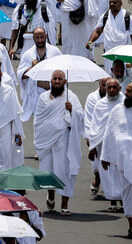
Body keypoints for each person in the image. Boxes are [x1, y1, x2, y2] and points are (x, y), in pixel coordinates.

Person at [101, 82, 132, 238]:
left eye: (129, 92)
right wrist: (105, 156)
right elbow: (109, 132)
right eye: (126, 91)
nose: (125, 94)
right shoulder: (117, 111)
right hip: (123, 160)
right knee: (127, 193)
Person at [34, 70, 84, 215]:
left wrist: (72, 110)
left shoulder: (71, 97)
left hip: (64, 141)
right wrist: (40, 138)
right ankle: (50, 195)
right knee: (48, 171)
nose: (56, 81)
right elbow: (38, 119)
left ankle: (64, 204)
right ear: (51, 81)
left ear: (65, 82)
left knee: (65, 172)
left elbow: (81, 117)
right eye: (54, 79)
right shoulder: (43, 97)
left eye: (60, 79)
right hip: (46, 140)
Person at [86, 78, 124, 213]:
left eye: (114, 87)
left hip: (120, 145)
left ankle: (124, 202)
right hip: (104, 146)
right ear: (105, 89)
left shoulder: (125, 102)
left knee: (121, 173)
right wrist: (92, 147)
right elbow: (95, 126)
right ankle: (113, 202)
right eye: (109, 88)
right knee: (108, 174)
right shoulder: (100, 105)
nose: (112, 90)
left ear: (119, 89)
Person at [17, 28, 62, 122]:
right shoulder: (27, 55)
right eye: (37, 38)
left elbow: (63, 72)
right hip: (35, 95)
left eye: (42, 37)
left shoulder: (55, 52)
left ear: (46, 36)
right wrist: (32, 68)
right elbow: (20, 75)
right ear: (33, 38)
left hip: (51, 92)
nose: (40, 40)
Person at [87, 0, 132, 73]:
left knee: (123, 77)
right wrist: (90, 41)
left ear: (121, 3)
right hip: (109, 54)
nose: (112, 4)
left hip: (124, 54)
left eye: (114, 2)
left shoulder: (127, 16)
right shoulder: (105, 16)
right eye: (110, 2)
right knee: (109, 76)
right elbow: (98, 31)